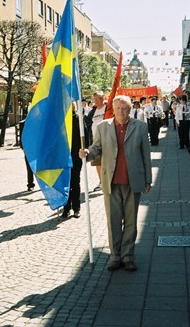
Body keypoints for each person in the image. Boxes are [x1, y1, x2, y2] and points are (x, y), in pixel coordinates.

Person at [79, 95, 152, 272]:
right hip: (110, 181)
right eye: (118, 108)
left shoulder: (140, 127)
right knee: (113, 221)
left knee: (130, 221)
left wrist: (148, 179)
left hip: (132, 180)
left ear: (130, 109)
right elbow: (97, 148)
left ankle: (128, 256)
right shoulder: (103, 127)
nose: (121, 111)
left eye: (125, 108)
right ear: (113, 108)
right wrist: (87, 152)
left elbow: (145, 155)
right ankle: (115, 256)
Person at [61, 106, 88, 218]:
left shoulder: (79, 120)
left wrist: (85, 150)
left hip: (76, 156)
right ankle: (66, 208)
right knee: (65, 183)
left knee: (75, 182)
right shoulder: (60, 121)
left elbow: (86, 137)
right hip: (63, 157)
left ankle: (76, 207)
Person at [18, 119, 35, 191]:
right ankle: (30, 184)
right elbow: (21, 137)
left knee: (42, 167)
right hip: (29, 148)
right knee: (29, 166)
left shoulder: (40, 120)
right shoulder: (23, 123)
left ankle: (45, 184)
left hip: (38, 148)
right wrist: (23, 147)